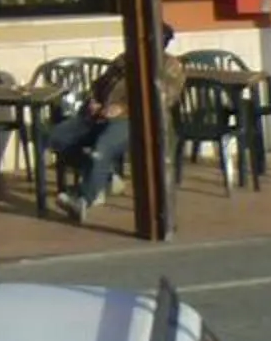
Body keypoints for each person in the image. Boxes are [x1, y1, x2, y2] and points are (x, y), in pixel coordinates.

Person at [49, 26, 184, 218]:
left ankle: (84, 199)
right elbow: (99, 84)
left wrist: (124, 109)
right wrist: (93, 100)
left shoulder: (170, 66)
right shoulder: (124, 59)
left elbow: (162, 100)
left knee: (101, 148)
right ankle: (106, 177)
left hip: (134, 121)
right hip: (98, 115)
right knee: (55, 138)